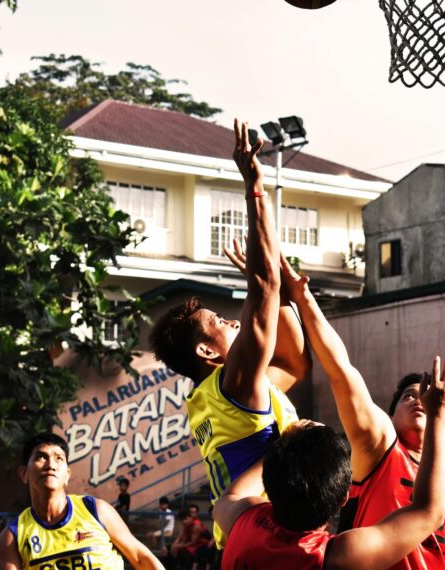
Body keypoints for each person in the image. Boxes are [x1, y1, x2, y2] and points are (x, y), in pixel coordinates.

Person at [283, 263, 445, 569]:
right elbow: (341, 370)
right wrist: (304, 299)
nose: (420, 400)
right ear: (388, 417)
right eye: (408, 397)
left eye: (426, 396)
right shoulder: (380, 446)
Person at [148, 120, 308, 548]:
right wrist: (254, 188)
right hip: (263, 537)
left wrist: (275, 293)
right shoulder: (233, 384)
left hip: (245, 537)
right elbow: (265, 287)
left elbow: (294, 363)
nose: (234, 321)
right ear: (206, 350)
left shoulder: (221, 396)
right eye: (221, 323)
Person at [214, 355, 445, 569]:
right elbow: (430, 512)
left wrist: (286, 444)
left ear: (268, 481)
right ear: (345, 496)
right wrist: (439, 415)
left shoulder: (241, 520)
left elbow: (229, 497)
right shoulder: (333, 557)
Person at [0, 432, 162, 570]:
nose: (51, 464)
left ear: (67, 475)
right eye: (41, 457)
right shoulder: (13, 537)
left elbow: (141, 558)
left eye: (59, 458)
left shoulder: (97, 510)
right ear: (23, 473)